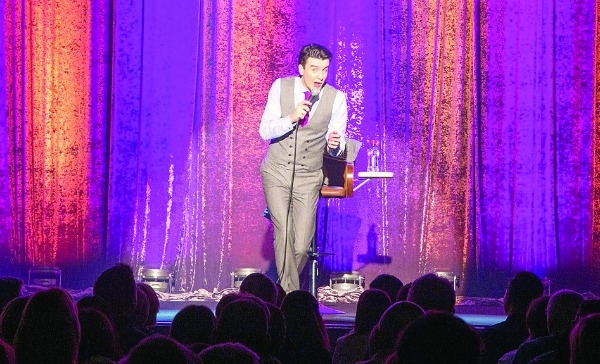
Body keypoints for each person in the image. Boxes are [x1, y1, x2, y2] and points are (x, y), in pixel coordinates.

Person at [259, 43, 348, 293]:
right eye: (314, 69)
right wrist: (290, 118)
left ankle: (281, 291)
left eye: (325, 69)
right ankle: (290, 298)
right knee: (283, 232)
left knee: (300, 246)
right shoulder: (281, 87)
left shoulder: (336, 98)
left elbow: (338, 144)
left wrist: (334, 145)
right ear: (301, 69)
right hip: (276, 172)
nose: (320, 75)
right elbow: (265, 130)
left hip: (309, 177)